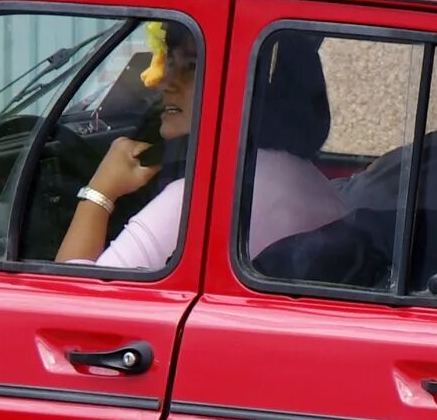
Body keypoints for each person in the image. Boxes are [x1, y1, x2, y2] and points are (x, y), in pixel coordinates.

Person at [54, 28, 344, 270]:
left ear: (246, 83)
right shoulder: (313, 183)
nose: (165, 83)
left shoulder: (198, 199)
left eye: (191, 67)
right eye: (170, 63)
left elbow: (69, 303)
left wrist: (101, 192)